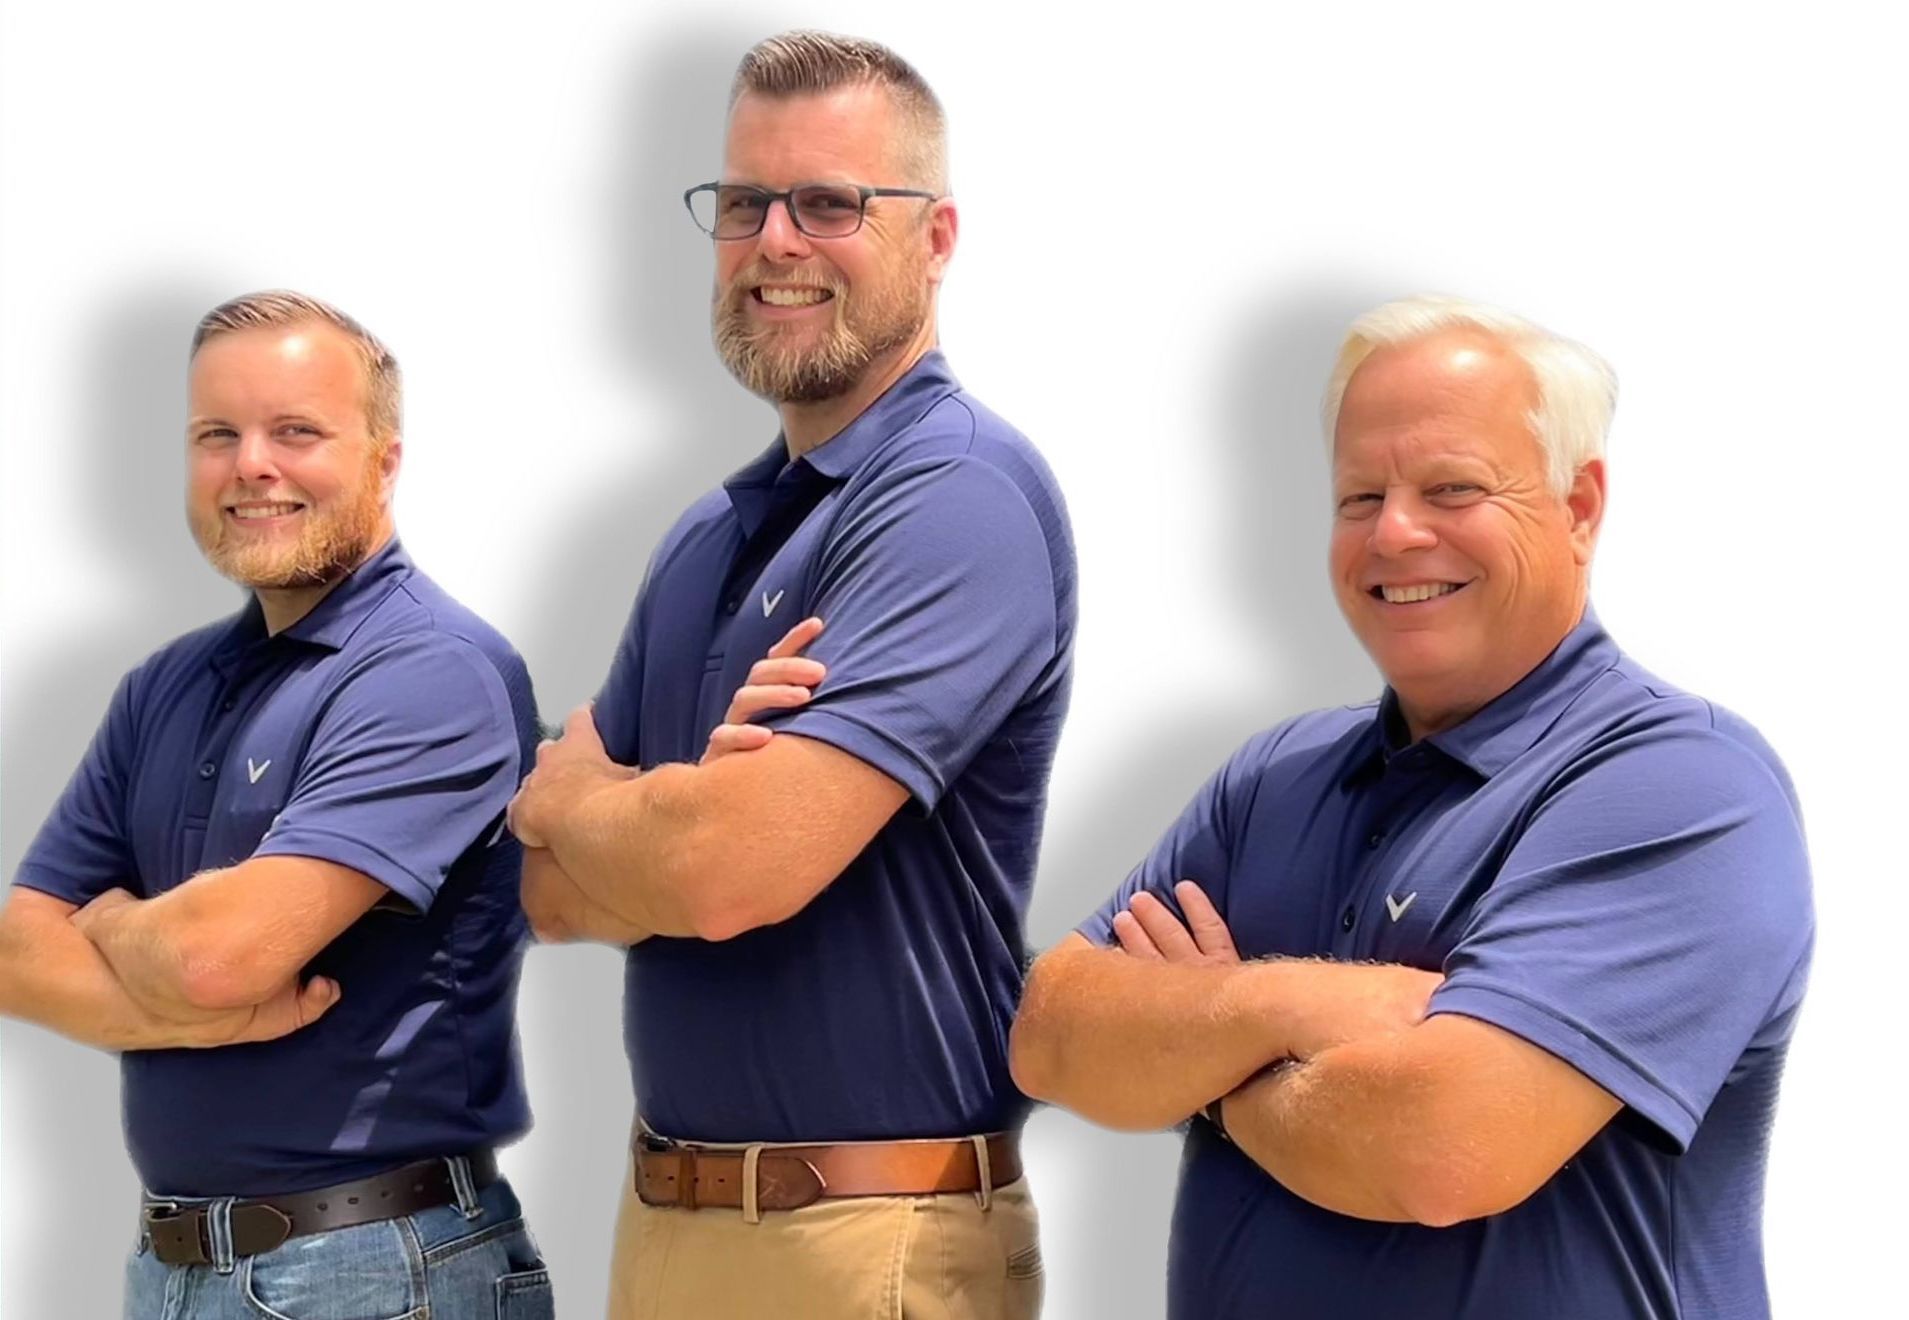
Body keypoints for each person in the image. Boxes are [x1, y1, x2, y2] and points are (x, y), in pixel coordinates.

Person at [1009, 294, 1813, 1319]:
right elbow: (1053, 1035)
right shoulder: (1273, 781)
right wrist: (1295, 1008)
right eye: (1357, 497)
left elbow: (1442, 1148)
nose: (1394, 532)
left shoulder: (1679, 789)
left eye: (1452, 488)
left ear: (1578, 505)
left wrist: (1201, 1062)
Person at [505, 30, 1073, 1319]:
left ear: (934, 239)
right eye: (746, 202)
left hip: (868, 1241)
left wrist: (591, 801)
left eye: (829, 203)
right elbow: (546, 896)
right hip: (663, 1223)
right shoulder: (708, 537)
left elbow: (719, 870)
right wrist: (681, 819)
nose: (775, 242)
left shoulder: (956, 497)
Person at [0, 291, 552, 1318]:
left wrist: (114, 920)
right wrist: (198, 1020)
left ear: (385, 461)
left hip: (377, 1272)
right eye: (220, 434)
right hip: (172, 1268)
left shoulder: (430, 674)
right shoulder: (164, 685)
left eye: (296, 431)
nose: (252, 464)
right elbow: (18, 954)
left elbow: (221, 960)